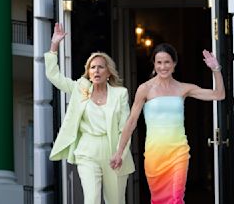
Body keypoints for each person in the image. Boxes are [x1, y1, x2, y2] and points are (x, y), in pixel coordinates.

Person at [110, 43, 225, 204]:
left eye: (167, 62)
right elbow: (131, 122)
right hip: (154, 154)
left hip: (179, 152)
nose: (163, 67)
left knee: (176, 198)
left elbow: (219, 95)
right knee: (158, 200)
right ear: (154, 64)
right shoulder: (145, 89)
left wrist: (216, 69)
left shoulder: (183, 88)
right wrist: (119, 152)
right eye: (159, 62)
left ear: (174, 64)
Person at [45, 23, 135, 204]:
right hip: (87, 151)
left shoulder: (120, 93)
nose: (96, 71)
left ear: (108, 72)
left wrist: (120, 154)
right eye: (92, 67)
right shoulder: (81, 88)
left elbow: (125, 128)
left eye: (100, 67)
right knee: (91, 199)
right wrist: (54, 45)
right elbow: (54, 77)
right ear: (88, 72)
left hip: (114, 151)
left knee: (115, 201)